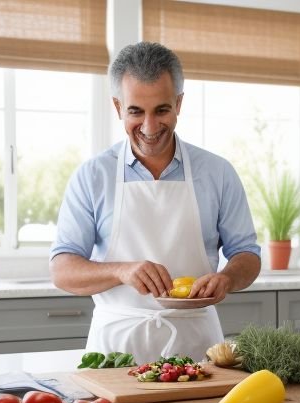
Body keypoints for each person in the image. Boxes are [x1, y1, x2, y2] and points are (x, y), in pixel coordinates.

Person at [50, 41, 261, 365]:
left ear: (178, 104)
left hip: (198, 348)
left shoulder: (217, 173)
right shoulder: (92, 176)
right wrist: (123, 270)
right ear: (118, 107)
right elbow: (62, 270)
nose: (149, 127)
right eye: (136, 111)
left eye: (161, 110)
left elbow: (247, 255)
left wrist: (227, 278)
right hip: (114, 352)